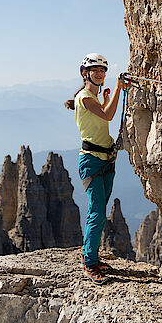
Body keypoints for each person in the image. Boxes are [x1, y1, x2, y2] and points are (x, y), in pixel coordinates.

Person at [64, 53, 129, 285]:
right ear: (85, 74)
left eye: (102, 70)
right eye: (95, 70)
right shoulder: (84, 97)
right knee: (97, 213)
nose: (100, 73)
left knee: (100, 210)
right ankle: (89, 263)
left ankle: (92, 257)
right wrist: (119, 88)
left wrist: (108, 96)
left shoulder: (93, 97)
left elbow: (101, 115)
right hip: (92, 161)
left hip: (105, 159)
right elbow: (108, 115)